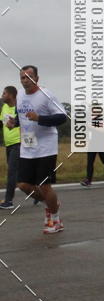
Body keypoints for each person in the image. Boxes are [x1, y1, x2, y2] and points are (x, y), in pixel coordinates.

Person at [6, 66, 67, 233]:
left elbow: (62, 117)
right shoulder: (19, 95)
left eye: (29, 77)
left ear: (37, 78)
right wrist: (14, 123)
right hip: (28, 146)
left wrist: (40, 118)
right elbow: (22, 117)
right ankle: (51, 205)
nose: (25, 80)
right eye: (22, 77)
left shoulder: (46, 95)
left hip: (46, 147)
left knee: (44, 186)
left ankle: (55, 219)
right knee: (23, 185)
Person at [1, 86, 20, 209]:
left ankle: (8, 201)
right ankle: (36, 192)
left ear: (11, 95)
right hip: (8, 144)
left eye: (4, 93)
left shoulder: (19, 108)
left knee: (12, 172)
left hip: (19, 143)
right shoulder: (4, 107)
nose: (2, 95)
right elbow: (1, 122)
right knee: (19, 174)